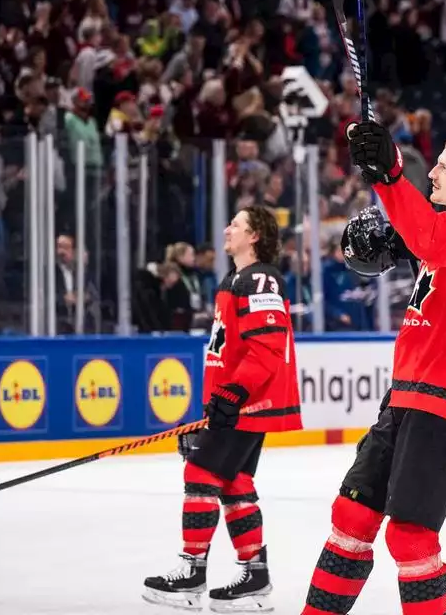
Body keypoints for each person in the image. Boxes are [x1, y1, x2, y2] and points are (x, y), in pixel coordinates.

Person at [301, 123, 446, 615]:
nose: (434, 174)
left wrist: (390, 175)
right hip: (407, 394)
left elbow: (438, 240)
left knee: (409, 536)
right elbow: (427, 238)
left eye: (444, 167)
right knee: (352, 515)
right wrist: (395, 225)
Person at [142, 205, 302, 613]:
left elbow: (266, 350)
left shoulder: (258, 277)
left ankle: (191, 573)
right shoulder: (235, 279)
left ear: (255, 237)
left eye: (237, 224)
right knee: (233, 482)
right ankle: (255, 576)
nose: (227, 229)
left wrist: (231, 395)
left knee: (201, 472)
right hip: (238, 404)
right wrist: (216, 402)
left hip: (246, 404)